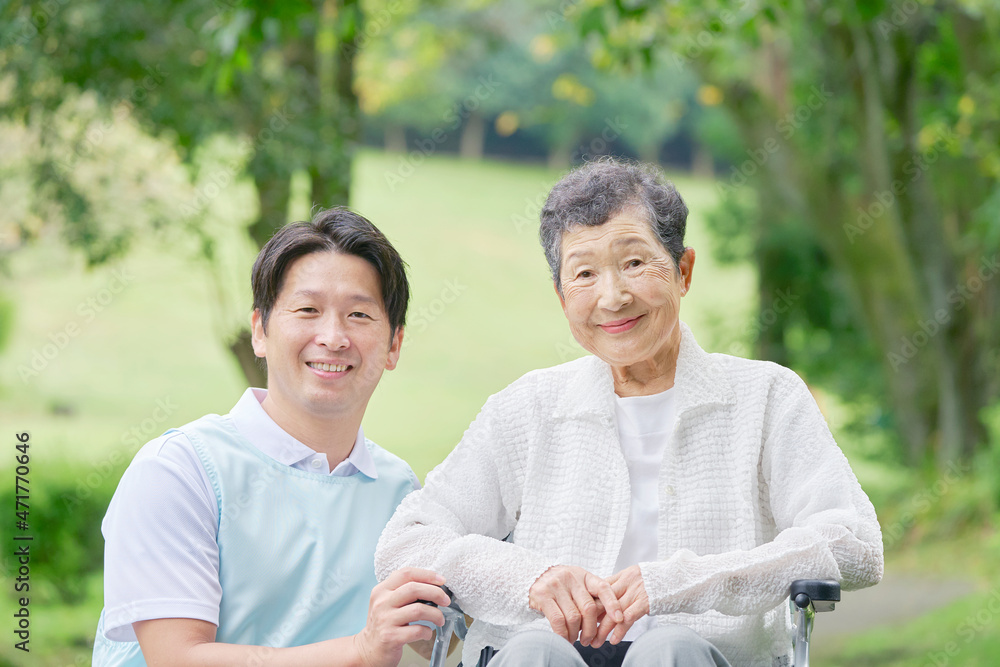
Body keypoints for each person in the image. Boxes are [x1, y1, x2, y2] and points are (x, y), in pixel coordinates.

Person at [374, 158, 884, 667]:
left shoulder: (767, 397)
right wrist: (528, 578)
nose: (613, 297)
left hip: (707, 658)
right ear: (561, 296)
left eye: (635, 263)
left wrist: (679, 583)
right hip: (536, 655)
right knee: (533, 653)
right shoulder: (524, 409)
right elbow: (406, 540)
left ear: (683, 271)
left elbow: (854, 542)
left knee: (671, 649)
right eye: (584, 273)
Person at [93, 208, 451, 667]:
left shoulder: (399, 490)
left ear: (394, 345)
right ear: (260, 330)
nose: (333, 336)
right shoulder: (179, 469)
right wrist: (361, 650)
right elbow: (178, 658)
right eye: (307, 310)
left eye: (359, 314)